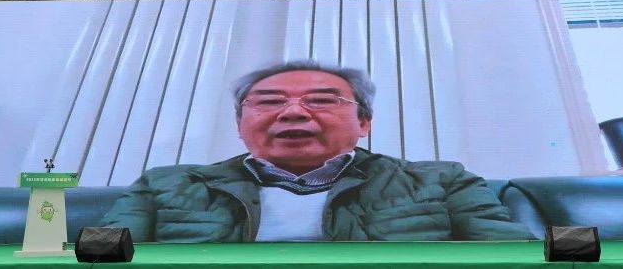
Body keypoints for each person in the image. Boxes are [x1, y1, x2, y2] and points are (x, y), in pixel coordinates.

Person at [100, 60, 532, 241]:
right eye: (269, 102)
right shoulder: (166, 183)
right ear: (240, 124)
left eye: (323, 100)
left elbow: (511, 256)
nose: (292, 112)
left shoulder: (442, 180)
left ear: (364, 123)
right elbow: (99, 255)